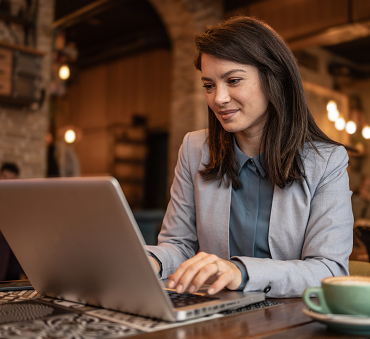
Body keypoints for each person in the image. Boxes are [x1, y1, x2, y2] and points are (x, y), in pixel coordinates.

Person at [145, 16, 353, 298]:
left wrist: (239, 272)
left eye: (233, 80)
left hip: (289, 318)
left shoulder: (327, 161)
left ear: (273, 78)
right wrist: (152, 261)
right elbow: (179, 246)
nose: (218, 98)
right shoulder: (195, 149)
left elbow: (329, 270)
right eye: (209, 85)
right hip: (214, 317)